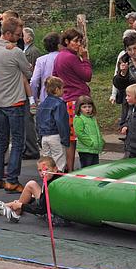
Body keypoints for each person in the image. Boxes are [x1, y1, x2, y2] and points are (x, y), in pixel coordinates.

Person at [0, 17, 32, 193]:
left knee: (1, 140)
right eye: (17, 35)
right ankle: (12, 180)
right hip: (15, 102)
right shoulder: (15, 52)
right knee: (18, 142)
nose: (19, 38)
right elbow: (28, 72)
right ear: (7, 34)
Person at [52, 28, 92, 172]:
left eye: (80, 41)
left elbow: (55, 76)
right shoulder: (72, 57)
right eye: (75, 41)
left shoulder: (59, 57)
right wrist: (85, 59)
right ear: (67, 41)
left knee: (71, 138)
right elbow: (87, 75)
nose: (78, 44)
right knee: (83, 136)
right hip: (79, 99)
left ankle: (69, 168)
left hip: (67, 99)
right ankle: (87, 168)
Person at [0, 156, 63, 224]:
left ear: (55, 169)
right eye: (40, 170)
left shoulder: (52, 185)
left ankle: (13, 211)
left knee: (31, 186)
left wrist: (21, 205)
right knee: (31, 188)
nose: (43, 173)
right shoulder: (56, 177)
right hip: (53, 209)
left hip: (54, 217)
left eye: (46, 169)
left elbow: (41, 209)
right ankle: (6, 207)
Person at [35, 76, 70, 171]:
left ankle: (46, 183)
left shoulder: (42, 105)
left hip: (44, 137)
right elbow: (61, 122)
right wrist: (65, 138)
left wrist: (39, 137)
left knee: (46, 164)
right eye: (62, 88)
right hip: (56, 136)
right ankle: (57, 182)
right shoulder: (59, 104)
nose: (63, 91)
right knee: (59, 163)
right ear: (57, 89)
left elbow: (37, 122)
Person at [29, 32, 61, 105]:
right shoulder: (64, 58)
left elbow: (34, 81)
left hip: (45, 97)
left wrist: (34, 98)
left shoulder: (41, 60)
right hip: (62, 96)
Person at [74, 95, 103, 167]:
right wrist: (90, 143)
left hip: (94, 148)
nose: (87, 109)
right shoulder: (79, 119)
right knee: (86, 168)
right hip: (85, 149)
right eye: (84, 107)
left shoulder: (92, 118)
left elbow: (97, 131)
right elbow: (79, 133)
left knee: (94, 167)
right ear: (79, 108)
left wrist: (101, 141)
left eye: (89, 107)